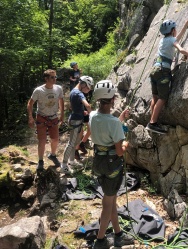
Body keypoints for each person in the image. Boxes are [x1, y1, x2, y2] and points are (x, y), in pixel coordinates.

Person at [89, 80, 134, 249]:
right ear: (113, 99)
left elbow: (106, 125)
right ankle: (100, 240)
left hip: (98, 163)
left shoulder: (93, 115)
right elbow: (120, 151)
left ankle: (118, 235)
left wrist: (121, 118)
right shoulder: (114, 123)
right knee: (108, 203)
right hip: (111, 166)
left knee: (111, 199)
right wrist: (125, 145)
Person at [146, 19, 188, 134]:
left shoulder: (163, 40)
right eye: (175, 29)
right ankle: (153, 123)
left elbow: (176, 39)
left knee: (155, 97)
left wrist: (185, 26)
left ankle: (152, 120)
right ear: (172, 30)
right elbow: (180, 48)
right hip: (163, 71)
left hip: (154, 70)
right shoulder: (171, 40)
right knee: (163, 98)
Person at [27, 69, 64, 170]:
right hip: (41, 117)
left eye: (55, 77)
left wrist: (62, 114)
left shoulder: (58, 88)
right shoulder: (39, 90)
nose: (54, 79)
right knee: (42, 140)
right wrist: (30, 117)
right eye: (52, 77)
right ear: (46, 78)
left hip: (53, 116)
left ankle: (52, 155)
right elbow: (30, 103)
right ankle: (40, 161)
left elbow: (61, 100)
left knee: (55, 139)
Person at [60, 76, 93, 174]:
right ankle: (64, 165)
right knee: (71, 143)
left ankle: (71, 161)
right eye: (88, 87)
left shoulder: (73, 91)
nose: (88, 89)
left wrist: (82, 112)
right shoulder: (79, 93)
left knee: (75, 142)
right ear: (82, 84)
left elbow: (75, 106)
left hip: (77, 118)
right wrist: (92, 115)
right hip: (75, 121)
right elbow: (87, 105)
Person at [75, 88, 93, 160]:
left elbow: (89, 103)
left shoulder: (91, 92)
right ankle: (75, 150)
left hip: (87, 113)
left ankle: (81, 144)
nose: (89, 89)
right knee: (80, 133)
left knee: (90, 129)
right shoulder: (78, 93)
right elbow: (73, 106)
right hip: (80, 114)